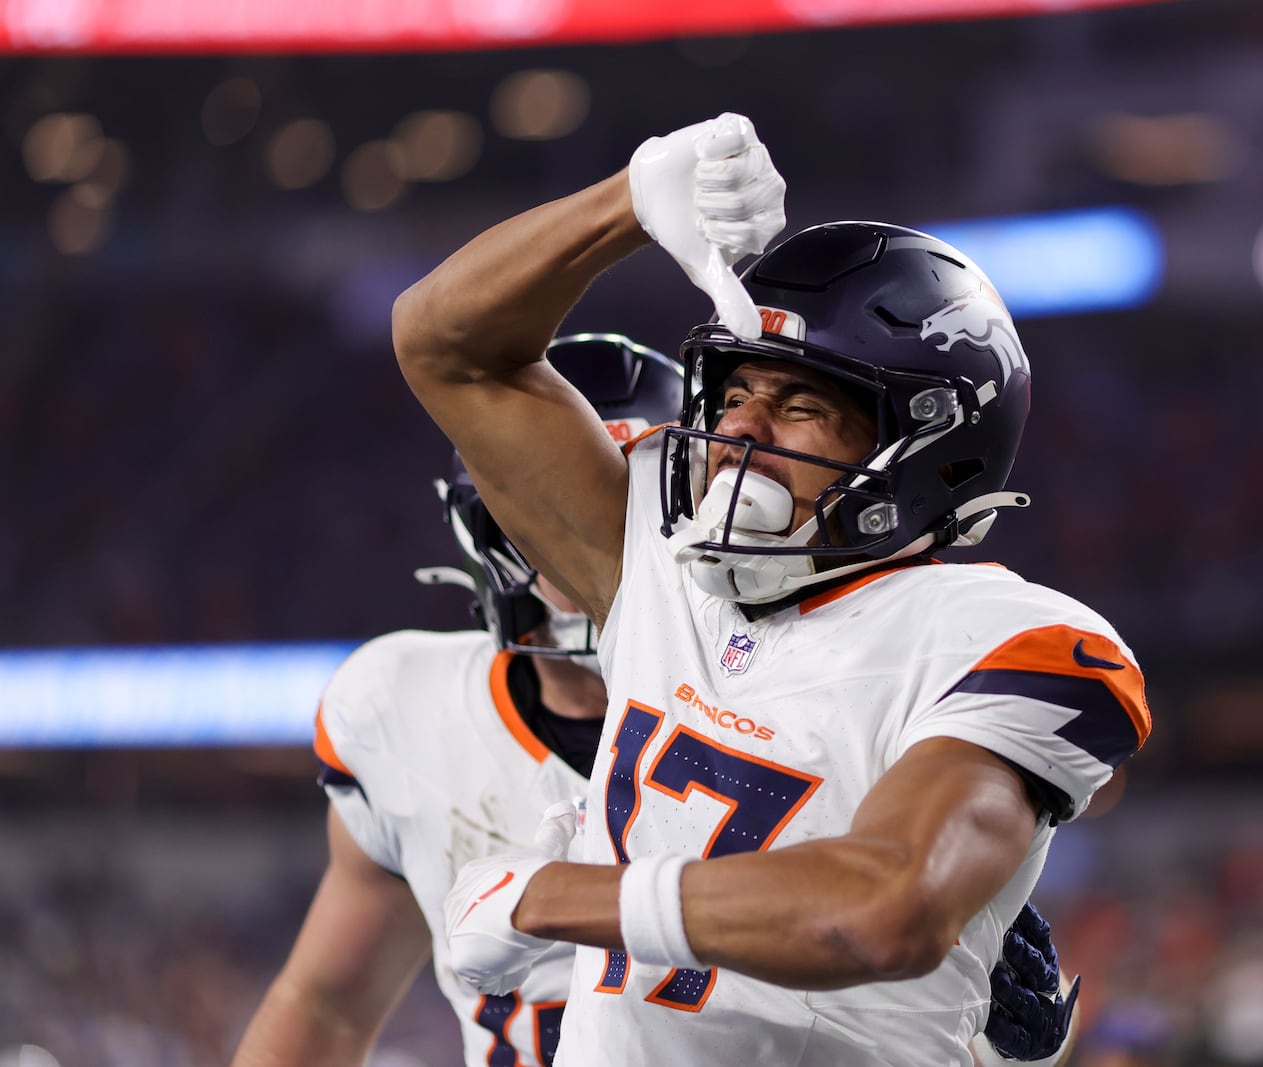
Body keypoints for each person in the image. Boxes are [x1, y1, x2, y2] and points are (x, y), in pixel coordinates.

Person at [395, 111, 1148, 1066]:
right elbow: (444, 345)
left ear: (929, 453)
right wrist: (625, 203)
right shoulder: (658, 562)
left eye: (800, 406)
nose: (741, 434)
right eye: (735, 394)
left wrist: (550, 897)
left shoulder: (998, 635)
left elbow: (885, 908)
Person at [230, 333, 1078, 1067]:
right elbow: (326, 1003)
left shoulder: (842, 697)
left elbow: (888, 936)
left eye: (614, 508)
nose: (571, 550)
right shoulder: (404, 706)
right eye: (536, 516)